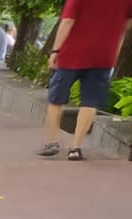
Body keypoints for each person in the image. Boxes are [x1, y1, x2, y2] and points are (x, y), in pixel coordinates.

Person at [38, 0, 132, 158]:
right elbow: (128, 22)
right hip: (103, 56)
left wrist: (55, 51)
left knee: (56, 99)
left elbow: (68, 21)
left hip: (71, 55)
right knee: (90, 102)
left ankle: (52, 142)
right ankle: (76, 148)